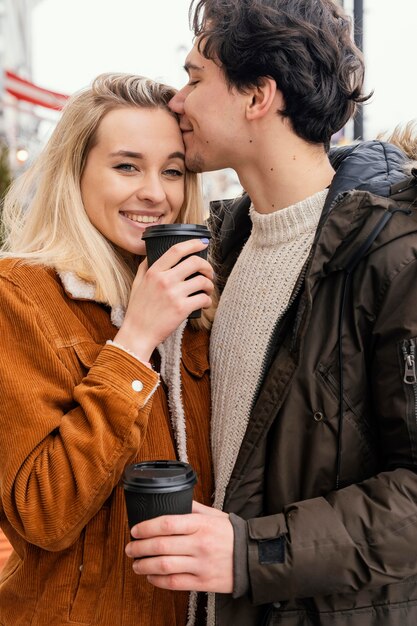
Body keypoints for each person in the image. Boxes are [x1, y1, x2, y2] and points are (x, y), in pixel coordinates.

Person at [124, 1, 417, 625]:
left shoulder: (395, 254)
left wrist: (252, 553)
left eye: (196, 78)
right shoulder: (218, 246)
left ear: (258, 95)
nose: (179, 101)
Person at [0, 72, 215, 626]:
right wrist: (135, 340)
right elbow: (42, 512)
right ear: (76, 173)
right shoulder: (20, 296)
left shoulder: (201, 304)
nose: (156, 192)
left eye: (172, 169)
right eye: (127, 166)